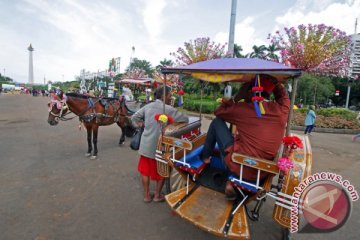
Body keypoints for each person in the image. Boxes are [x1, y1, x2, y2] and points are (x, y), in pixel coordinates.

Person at [201, 74, 290, 199]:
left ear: (250, 92)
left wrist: (237, 97)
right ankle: (231, 183)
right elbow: (283, 96)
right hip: (261, 172)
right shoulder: (282, 111)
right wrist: (274, 82)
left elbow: (219, 112)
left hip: (240, 165)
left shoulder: (243, 109)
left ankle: (206, 158)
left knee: (216, 122)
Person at [131, 86, 189, 203]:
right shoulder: (168, 109)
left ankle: (147, 196)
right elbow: (185, 119)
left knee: (145, 171)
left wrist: (141, 125)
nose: (170, 98)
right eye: (169, 95)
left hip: (146, 145)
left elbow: (134, 117)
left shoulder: (148, 106)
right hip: (161, 146)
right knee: (162, 171)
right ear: (163, 96)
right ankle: (157, 195)